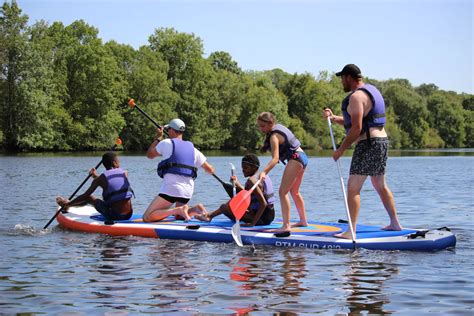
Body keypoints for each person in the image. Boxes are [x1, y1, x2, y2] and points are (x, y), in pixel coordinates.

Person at [323, 63, 403, 239]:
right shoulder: (370, 90)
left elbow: (356, 128)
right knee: (379, 185)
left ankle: (351, 231)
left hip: (368, 144)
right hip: (381, 141)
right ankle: (395, 223)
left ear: (349, 78)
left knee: (353, 188)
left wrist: (341, 150)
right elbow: (357, 121)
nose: (341, 82)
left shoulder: (356, 97)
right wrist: (334, 118)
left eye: (342, 78)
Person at [142, 118, 214, 222]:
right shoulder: (193, 149)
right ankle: (195, 209)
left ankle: (179, 210)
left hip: (172, 189)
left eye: (169, 129)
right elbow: (210, 169)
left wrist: (158, 138)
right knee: (178, 217)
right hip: (187, 191)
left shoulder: (166, 143)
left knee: (147, 217)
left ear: (171, 130)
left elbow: (149, 155)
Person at [256, 112, 309, 232]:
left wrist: (264, 172)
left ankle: (286, 226)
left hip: (296, 158)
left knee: (282, 192)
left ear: (270, 123)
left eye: (263, 126)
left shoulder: (274, 136)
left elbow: (275, 159)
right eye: (259, 126)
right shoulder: (277, 128)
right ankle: (303, 221)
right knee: (294, 191)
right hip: (303, 157)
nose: (261, 129)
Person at [196, 153, 276, 226]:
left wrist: (252, 224)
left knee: (224, 207)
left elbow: (263, 203)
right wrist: (237, 184)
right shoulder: (262, 176)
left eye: (245, 168)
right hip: (269, 217)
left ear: (254, 167)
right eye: (242, 167)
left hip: (261, 219)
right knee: (232, 202)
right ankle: (209, 216)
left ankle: (209, 216)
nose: (243, 170)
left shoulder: (251, 180)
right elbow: (249, 194)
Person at [55, 152, 134, 224]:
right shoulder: (125, 173)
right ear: (114, 162)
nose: (119, 163)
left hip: (114, 216)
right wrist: (96, 176)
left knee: (89, 198)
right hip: (129, 214)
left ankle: (67, 205)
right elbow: (112, 181)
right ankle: (68, 205)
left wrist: (68, 203)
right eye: (118, 161)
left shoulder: (99, 180)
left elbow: (85, 196)